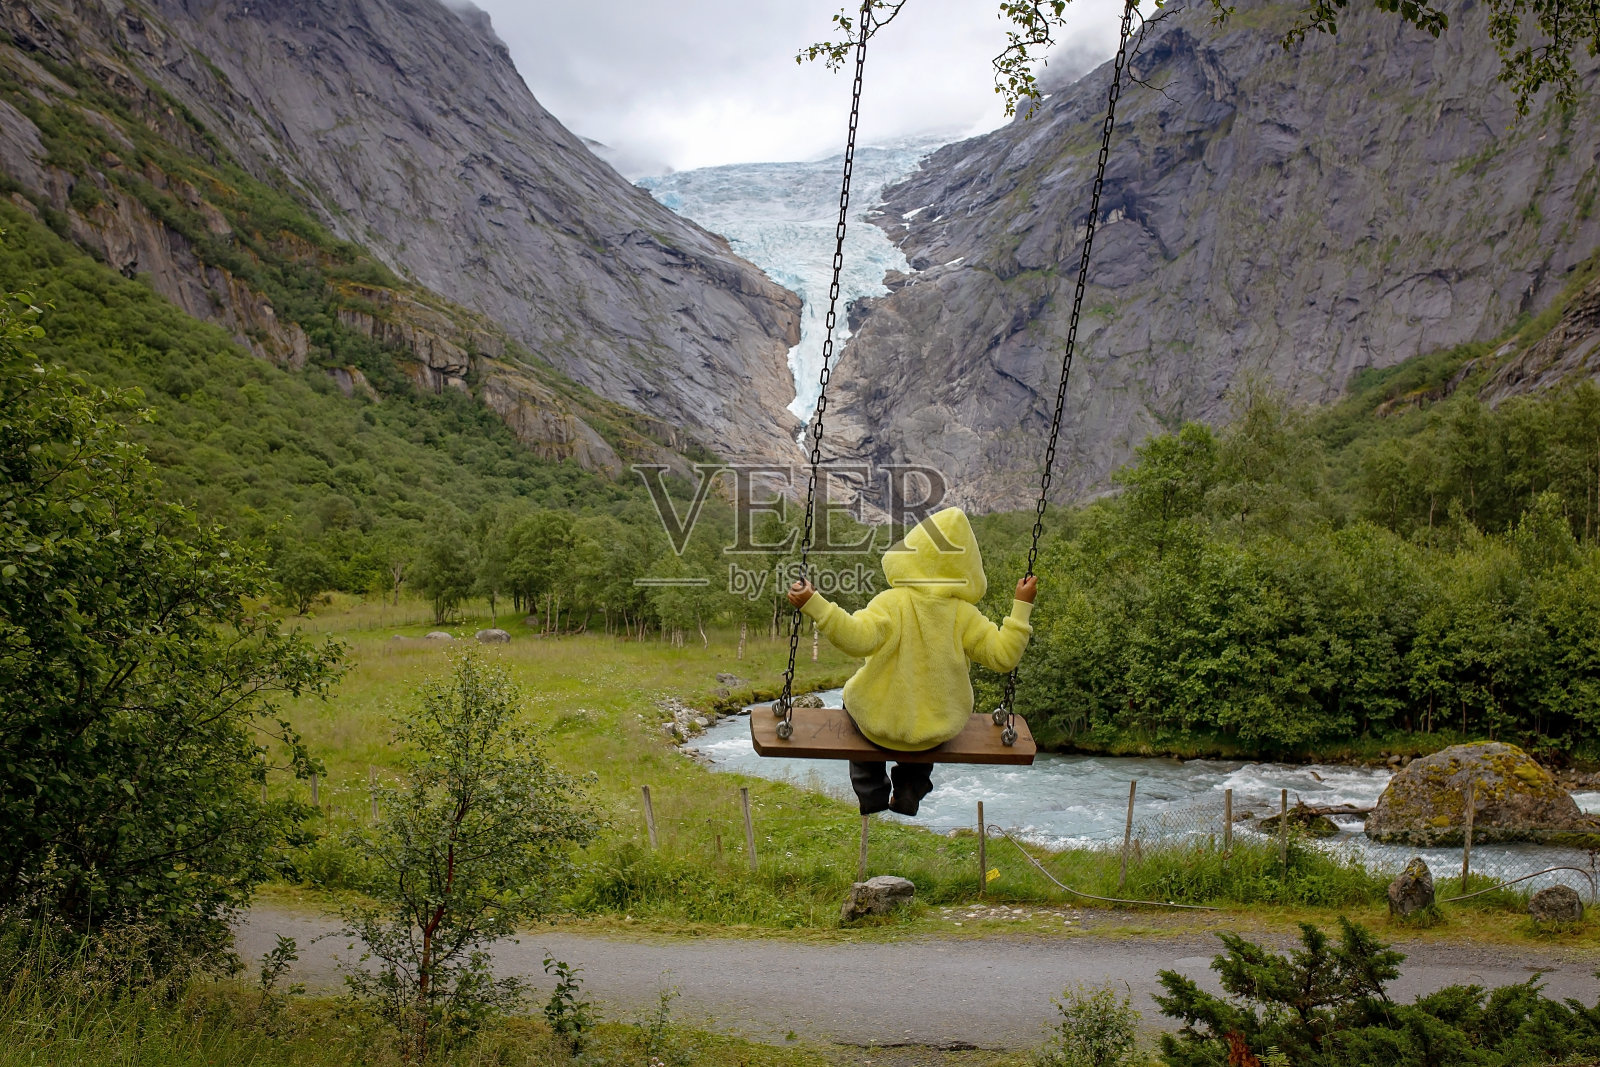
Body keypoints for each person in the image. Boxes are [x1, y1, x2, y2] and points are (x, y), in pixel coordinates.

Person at [786, 506, 1037, 816]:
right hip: (934, 732)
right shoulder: (964, 615)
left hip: (877, 725)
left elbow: (855, 639)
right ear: (967, 565)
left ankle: (872, 792)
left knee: (855, 708)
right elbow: (1004, 657)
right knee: (929, 735)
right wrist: (1022, 607)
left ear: (911, 552)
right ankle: (910, 790)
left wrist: (816, 605)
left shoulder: (892, 603)